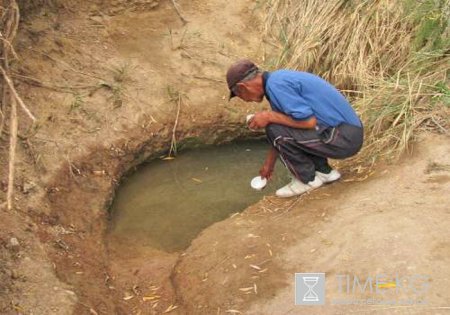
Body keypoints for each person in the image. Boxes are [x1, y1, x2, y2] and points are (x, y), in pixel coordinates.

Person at [226, 59, 364, 197]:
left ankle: (307, 180)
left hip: (343, 137)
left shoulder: (277, 85)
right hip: (347, 134)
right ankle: (325, 172)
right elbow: (288, 129)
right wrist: (269, 165)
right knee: (277, 126)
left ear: (243, 87)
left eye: (239, 96)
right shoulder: (276, 81)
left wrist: (269, 117)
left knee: (273, 127)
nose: (244, 100)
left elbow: (308, 122)